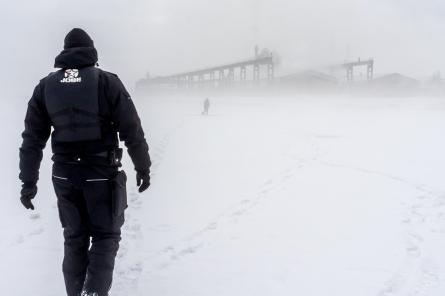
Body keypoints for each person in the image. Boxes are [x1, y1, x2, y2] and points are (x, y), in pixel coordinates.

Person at [18, 28, 151, 296]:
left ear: (64, 53)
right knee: (105, 236)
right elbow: (131, 129)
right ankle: (93, 293)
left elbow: (32, 140)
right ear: (92, 52)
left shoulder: (45, 86)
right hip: (101, 174)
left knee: (74, 238)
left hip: (65, 177)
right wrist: (143, 167)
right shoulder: (107, 82)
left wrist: (28, 182)